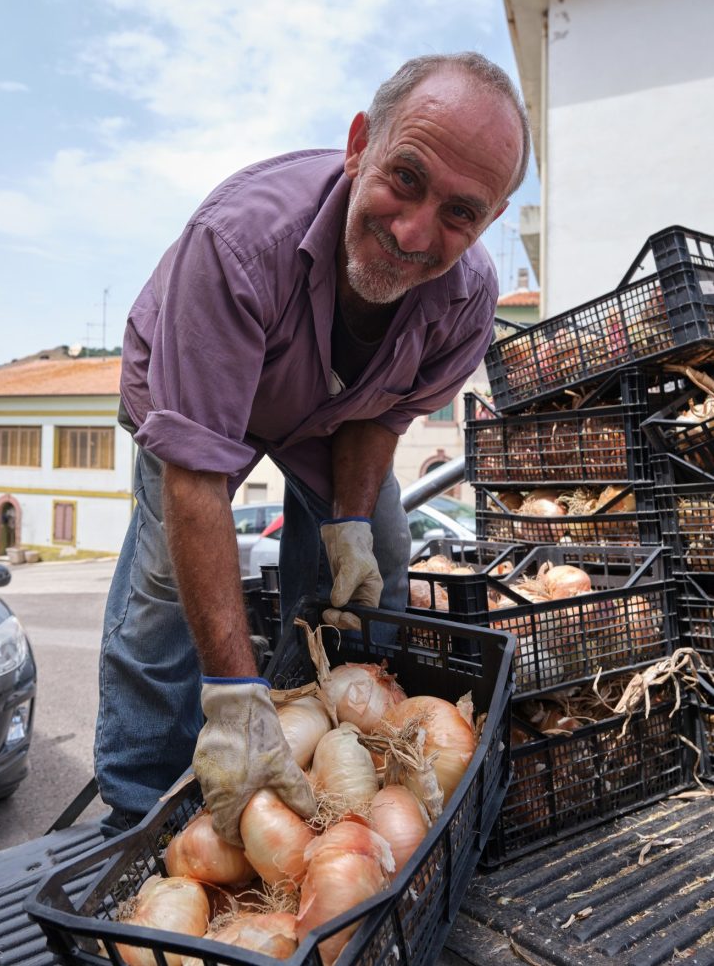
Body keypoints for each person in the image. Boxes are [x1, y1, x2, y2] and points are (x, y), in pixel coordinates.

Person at [94, 50, 530, 842]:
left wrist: (350, 525)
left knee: (381, 548)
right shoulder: (239, 241)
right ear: (360, 142)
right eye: (405, 176)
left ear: (491, 219)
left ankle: (320, 730)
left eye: (461, 212)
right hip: (197, 391)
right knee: (163, 584)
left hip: (328, 415)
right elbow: (197, 476)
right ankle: (137, 804)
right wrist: (229, 689)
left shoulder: (467, 302)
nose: (414, 231)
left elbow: (383, 416)